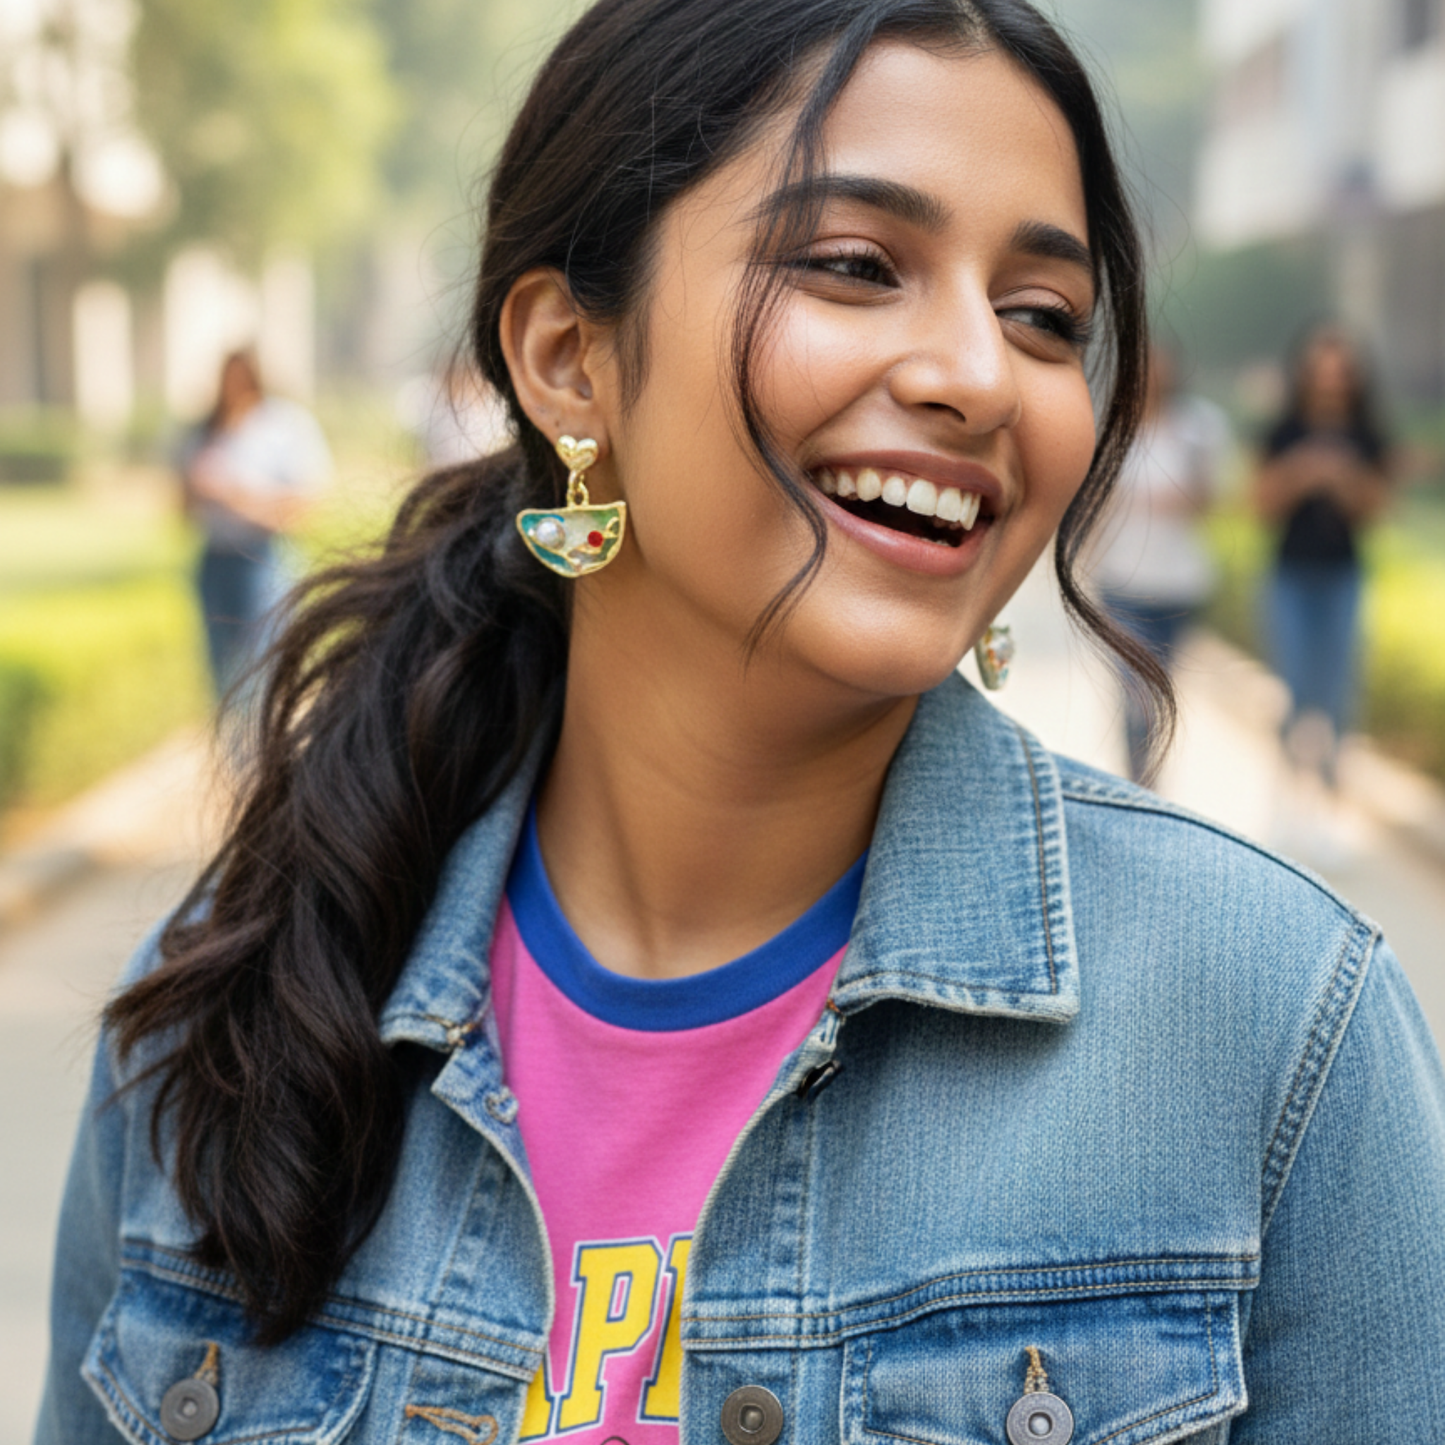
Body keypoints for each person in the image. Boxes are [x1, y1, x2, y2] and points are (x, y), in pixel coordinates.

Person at [37, 3, 1445, 1443]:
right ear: (569, 358)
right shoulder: (226, 1014)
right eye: (855, 265)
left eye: (1043, 317)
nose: (976, 375)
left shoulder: (1275, 1032)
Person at [1255, 326, 1392, 793]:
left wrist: (1343, 478)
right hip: (1290, 572)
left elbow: (1377, 510)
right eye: (1322, 371)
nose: (1331, 382)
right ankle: (1290, 786)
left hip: (1342, 575)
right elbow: (1260, 505)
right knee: (1292, 682)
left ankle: (1332, 787)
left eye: (1341, 372)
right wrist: (1301, 471)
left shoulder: (1367, 435)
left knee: (1338, 689)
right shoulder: (1283, 431)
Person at [1090, 342, 1229, 782]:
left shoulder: (1200, 427)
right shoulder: (1113, 426)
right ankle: (1139, 780)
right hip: (1123, 578)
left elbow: (1211, 498)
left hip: (1180, 582)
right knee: (1135, 689)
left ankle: (1151, 778)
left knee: (1162, 687)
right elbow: (1092, 498)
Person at [176, 349, 332, 699]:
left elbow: (305, 505)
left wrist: (236, 495)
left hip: (263, 557)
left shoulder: (283, 425)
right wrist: (197, 487)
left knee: (263, 669)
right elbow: (181, 508)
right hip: (215, 558)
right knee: (221, 671)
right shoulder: (205, 429)